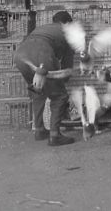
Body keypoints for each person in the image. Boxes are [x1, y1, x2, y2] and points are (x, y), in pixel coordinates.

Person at [14, 10, 75, 146]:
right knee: (60, 96)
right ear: (67, 23)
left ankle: (39, 130)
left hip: (20, 56)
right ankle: (55, 136)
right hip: (40, 54)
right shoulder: (67, 32)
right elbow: (67, 64)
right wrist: (62, 81)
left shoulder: (43, 29)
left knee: (38, 91)